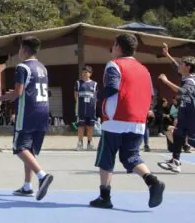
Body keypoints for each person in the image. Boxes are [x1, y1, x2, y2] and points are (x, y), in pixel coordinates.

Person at [90, 33, 165, 209]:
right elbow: (151, 95)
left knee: (106, 158)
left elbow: (112, 87)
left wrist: (96, 95)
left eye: (114, 45)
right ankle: (153, 182)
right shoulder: (144, 70)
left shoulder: (114, 65)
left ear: (118, 47)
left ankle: (105, 197)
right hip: (138, 121)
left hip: (116, 119)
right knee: (131, 156)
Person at [0, 36, 53, 201]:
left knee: (19, 147)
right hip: (43, 111)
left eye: (20, 49)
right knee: (30, 150)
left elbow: (17, 94)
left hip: (28, 112)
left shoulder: (22, 67)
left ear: (24, 50)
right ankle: (27, 186)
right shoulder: (42, 67)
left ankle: (42, 176)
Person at [157, 43, 195, 173]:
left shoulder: (191, 81)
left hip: (191, 114)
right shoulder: (186, 76)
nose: (179, 65)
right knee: (178, 135)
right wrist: (167, 54)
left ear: (188, 67)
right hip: (185, 112)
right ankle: (175, 161)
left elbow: (182, 92)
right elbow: (175, 66)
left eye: (182, 64)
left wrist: (166, 81)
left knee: (191, 140)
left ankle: (175, 160)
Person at [74, 65, 98, 151]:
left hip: (91, 109)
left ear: (90, 74)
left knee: (90, 127)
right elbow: (76, 95)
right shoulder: (78, 83)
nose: (84, 74)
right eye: (83, 72)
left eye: (86, 72)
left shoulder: (94, 84)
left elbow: (95, 96)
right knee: (81, 126)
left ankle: (90, 143)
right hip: (81, 109)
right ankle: (80, 143)